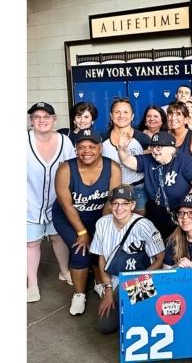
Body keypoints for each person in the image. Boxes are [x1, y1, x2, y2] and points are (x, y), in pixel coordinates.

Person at [52, 129, 122, 316]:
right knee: (80, 251)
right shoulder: (66, 169)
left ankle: (100, 283)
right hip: (68, 217)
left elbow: (111, 201)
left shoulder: (112, 167)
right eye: (81, 147)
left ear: (100, 148)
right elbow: (67, 206)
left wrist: (99, 230)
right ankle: (79, 294)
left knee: (99, 248)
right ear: (75, 149)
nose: (87, 150)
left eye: (92, 146)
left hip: (99, 215)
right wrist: (82, 233)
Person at [90, 184, 165, 334]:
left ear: (132, 205)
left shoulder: (144, 225)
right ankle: (118, 304)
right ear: (110, 205)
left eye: (125, 203)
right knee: (104, 326)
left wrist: (137, 284)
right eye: (116, 203)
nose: (119, 208)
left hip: (141, 279)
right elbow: (102, 260)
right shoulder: (102, 224)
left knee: (140, 323)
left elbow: (159, 258)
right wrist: (108, 291)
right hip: (115, 280)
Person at [27, 102, 76, 303]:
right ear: (31, 121)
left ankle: (64, 271)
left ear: (54, 119)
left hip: (58, 202)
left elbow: (73, 170)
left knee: (58, 237)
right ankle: (32, 284)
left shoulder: (64, 141)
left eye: (46, 116)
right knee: (31, 243)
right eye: (37, 117)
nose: (42, 120)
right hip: (29, 202)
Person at [117, 131, 192, 240]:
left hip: (178, 210)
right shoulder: (149, 159)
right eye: (153, 146)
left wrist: (189, 201)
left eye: (159, 147)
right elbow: (127, 161)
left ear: (171, 149)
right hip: (155, 209)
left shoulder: (183, 160)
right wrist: (121, 148)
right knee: (154, 243)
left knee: (177, 243)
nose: (154, 150)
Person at [102, 97, 151, 215]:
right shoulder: (102, 138)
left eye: (125, 112)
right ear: (111, 115)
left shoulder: (143, 139)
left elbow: (150, 165)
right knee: (114, 225)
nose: (121, 115)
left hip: (137, 190)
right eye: (117, 112)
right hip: (111, 190)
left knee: (138, 224)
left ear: (132, 116)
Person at [167, 101, 192, 173]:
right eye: (170, 114)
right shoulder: (165, 136)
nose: (173, 118)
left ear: (186, 120)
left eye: (178, 114)